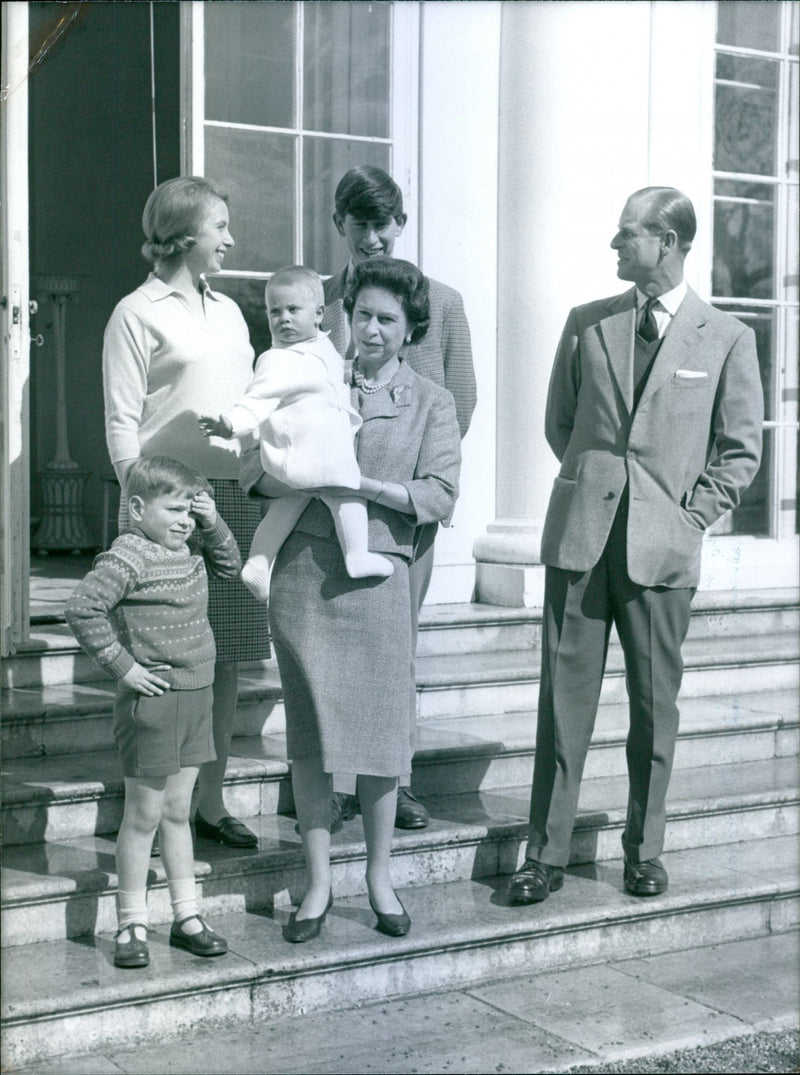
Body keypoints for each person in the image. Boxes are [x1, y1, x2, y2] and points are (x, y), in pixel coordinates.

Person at [506, 187, 764, 907]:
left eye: (627, 236)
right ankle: (545, 851)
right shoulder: (588, 325)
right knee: (562, 707)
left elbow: (740, 453)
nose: (614, 248)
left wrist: (686, 518)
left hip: (662, 552)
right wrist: (594, 486)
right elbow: (562, 423)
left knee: (654, 708)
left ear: (670, 242)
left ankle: (643, 850)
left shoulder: (726, 338)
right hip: (581, 543)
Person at [263, 257, 460, 942]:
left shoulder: (433, 400)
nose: (369, 330)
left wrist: (371, 489)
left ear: (410, 330)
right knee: (311, 736)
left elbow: (440, 494)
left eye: (386, 319)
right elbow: (262, 464)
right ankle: (317, 884)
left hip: (380, 573)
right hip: (305, 574)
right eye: (361, 314)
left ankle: (379, 877)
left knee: (380, 735)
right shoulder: (309, 374)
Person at [103, 176, 271, 850]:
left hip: (230, 499)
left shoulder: (230, 311)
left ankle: (209, 798)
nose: (230, 238)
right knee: (161, 657)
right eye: (220, 226)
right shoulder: (135, 312)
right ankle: (151, 806)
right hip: (162, 505)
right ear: (183, 233)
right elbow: (120, 423)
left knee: (223, 658)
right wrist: (146, 508)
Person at [322, 165, 477, 832]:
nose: (374, 238)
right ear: (342, 227)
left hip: (402, 506)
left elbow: (461, 399)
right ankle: (333, 779)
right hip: (323, 504)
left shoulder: (439, 302)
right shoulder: (321, 299)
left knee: (394, 646)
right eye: (361, 225)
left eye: (384, 224)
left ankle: (397, 779)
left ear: (402, 225)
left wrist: (409, 470)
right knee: (328, 645)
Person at [65, 457, 238, 967]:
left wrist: (214, 520)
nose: (184, 520)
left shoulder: (192, 547)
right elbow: (82, 608)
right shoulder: (129, 555)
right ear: (138, 508)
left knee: (179, 812)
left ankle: (187, 916)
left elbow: (230, 563)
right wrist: (123, 668)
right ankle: (131, 923)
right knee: (143, 816)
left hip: (198, 695)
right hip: (154, 704)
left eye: (191, 510)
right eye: (174, 509)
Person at [198, 265, 392, 600]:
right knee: (348, 495)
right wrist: (231, 425)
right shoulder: (277, 360)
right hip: (311, 455)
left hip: (311, 456)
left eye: (292, 310)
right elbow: (255, 401)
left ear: (318, 314)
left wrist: (350, 374)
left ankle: (258, 562)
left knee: (289, 503)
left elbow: (326, 376)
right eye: (275, 311)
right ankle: (357, 554)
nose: (283, 319)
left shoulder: (322, 348)